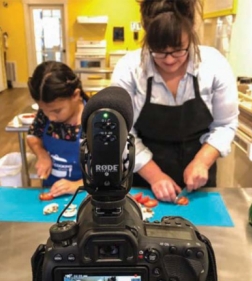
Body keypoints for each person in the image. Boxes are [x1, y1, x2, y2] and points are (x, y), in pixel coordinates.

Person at [112, 0, 239, 202]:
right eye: (159, 51)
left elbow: (226, 124)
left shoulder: (214, 65)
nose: (169, 60)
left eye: (179, 49)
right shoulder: (129, 69)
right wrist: (155, 176)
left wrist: (202, 161)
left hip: (198, 183)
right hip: (142, 178)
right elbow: (121, 131)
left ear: (191, 33)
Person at [26, 61, 88, 196]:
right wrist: (42, 154)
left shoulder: (94, 120)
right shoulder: (47, 112)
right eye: (44, 111)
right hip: (51, 192)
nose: (51, 118)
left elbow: (108, 171)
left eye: (57, 111)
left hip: (86, 196)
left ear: (75, 95)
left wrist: (77, 185)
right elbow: (33, 135)